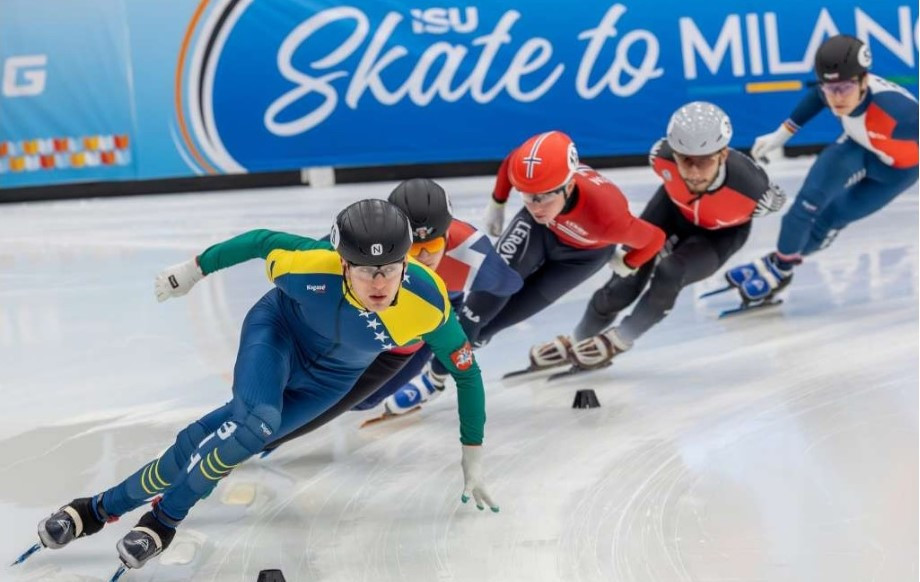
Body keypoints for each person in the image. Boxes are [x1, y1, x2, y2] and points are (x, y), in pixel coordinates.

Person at [33, 199, 498, 573]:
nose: (378, 283)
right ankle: (162, 522)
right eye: (363, 269)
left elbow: (467, 374)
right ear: (341, 263)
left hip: (333, 379)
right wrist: (191, 271)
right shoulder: (308, 266)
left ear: (405, 262)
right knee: (257, 423)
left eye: (389, 269)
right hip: (277, 333)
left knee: (229, 434)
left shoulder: (427, 302)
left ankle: (95, 509)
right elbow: (258, 241)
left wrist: (471, 455)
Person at [261, 179, 522, 451]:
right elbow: (309, 263)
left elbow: (511, 288)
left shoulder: (474, 255)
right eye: (411, 249)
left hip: (420, 328)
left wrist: (473, 328)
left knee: (362, 400)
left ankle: (261, 438)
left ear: (447, 237)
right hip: (366, 310)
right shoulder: (367, 238)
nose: (422, 257)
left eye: (432, 247)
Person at [530, 102, 786, 369]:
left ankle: (620, 339)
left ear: (723, 154)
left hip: (719, 235)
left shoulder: (756, 193)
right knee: (627, 273)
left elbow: (783, 203)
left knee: (671, 271)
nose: (694, 172)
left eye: (704, 161)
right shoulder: (659, 157)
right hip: (672, 212)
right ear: (673, 152)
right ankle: (579, 338)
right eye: (685, 160)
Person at [725, 34, 918, 301]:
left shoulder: (900, 114)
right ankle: (782, 264)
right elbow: (815, 97)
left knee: (831, 219)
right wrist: (780, 135)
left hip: (897, 173)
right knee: (805, 205)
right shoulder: (831, 89)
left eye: (845, 88)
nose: (837, 98)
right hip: (857, 147)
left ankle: (781, 263)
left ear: (864, 81)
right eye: (831, 88)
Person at [465, 130, 666, 369]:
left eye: (545, 196)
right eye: (528, 196)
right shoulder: (535, 184)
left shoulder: (608, 219)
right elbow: (513, 161)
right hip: (540, 231)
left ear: (569, 187)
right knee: (486, 294)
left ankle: (463, 348)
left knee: (493, 325)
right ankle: (439, 363)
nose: (536, 206)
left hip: (581, 258)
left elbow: (655, 238)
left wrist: (628, 263)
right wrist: (498, 201)